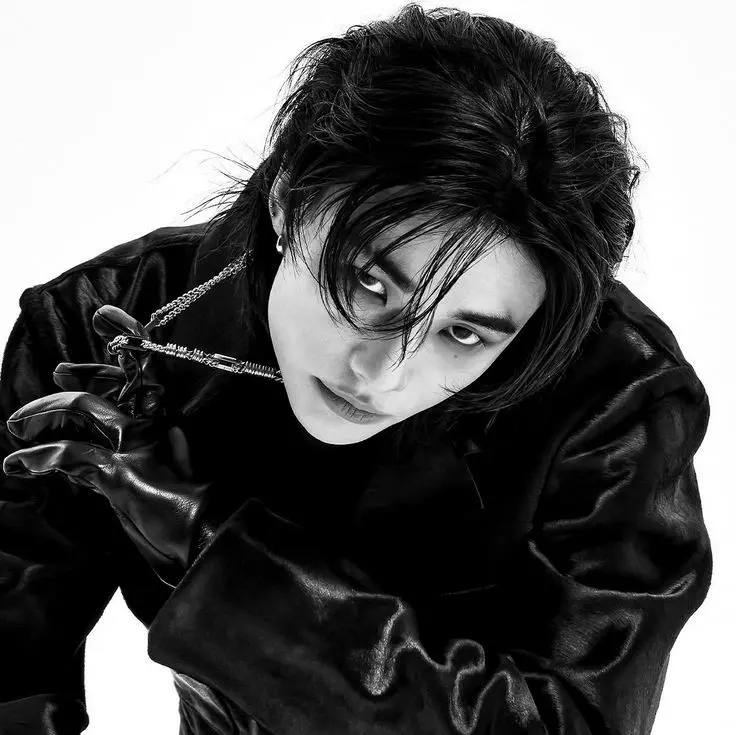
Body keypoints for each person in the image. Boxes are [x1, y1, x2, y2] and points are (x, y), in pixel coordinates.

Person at [0, 4, 712, 734]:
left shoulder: (615, 401)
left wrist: (211, 543)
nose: (381, 372)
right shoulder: (104, 323)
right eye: (369, 284)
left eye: (463, 333)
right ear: (288, 200)